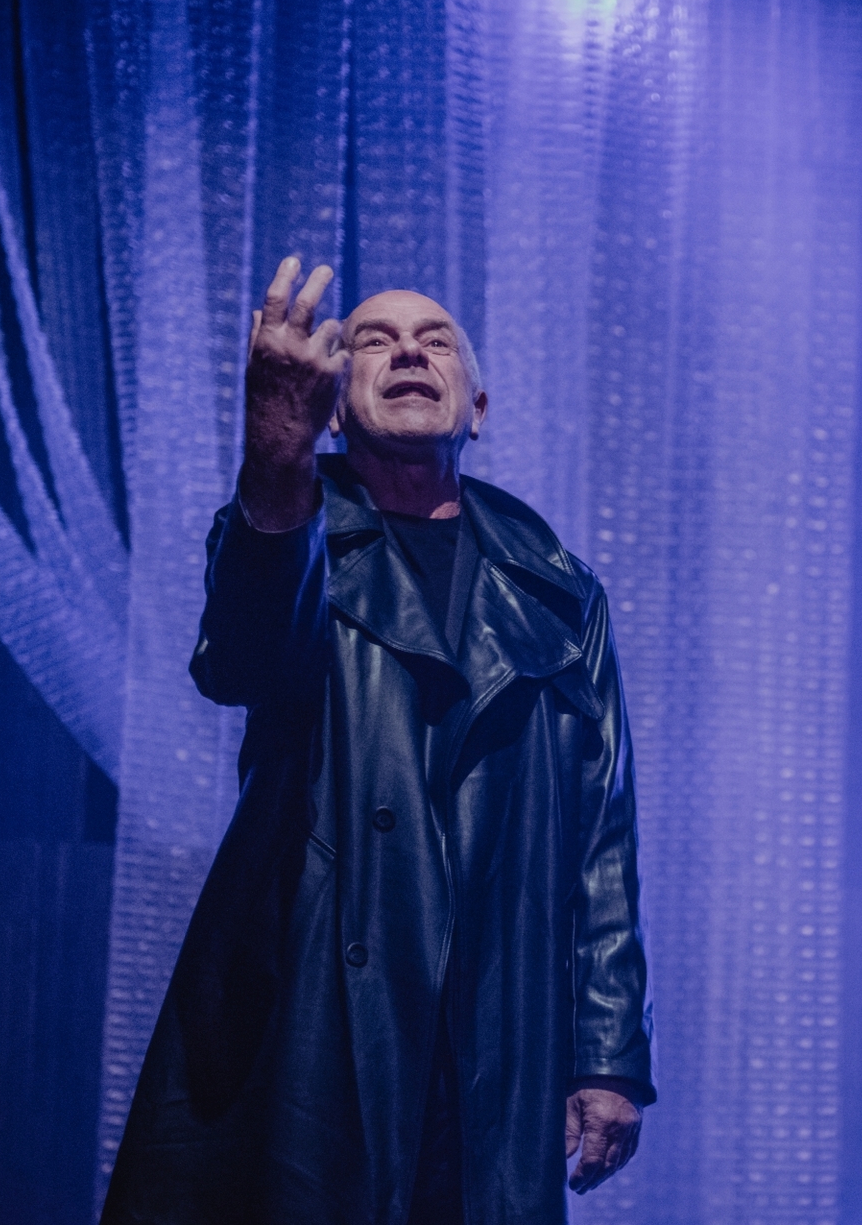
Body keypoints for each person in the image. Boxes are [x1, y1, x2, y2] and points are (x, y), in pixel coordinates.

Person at [103, 257, 654, 1224]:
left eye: (435, 340)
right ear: (331, 406)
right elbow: (238, 663)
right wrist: (274, 451)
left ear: (477, 407)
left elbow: (602, 835)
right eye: (373, 340)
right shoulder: (286, 529)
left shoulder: (560, 590)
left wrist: (608, 1053)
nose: (407, 352)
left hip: (495, 1018)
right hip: (318, 1003)